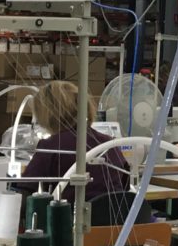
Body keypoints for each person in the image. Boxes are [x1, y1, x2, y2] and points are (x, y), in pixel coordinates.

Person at [13, 81, 133, 226]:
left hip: (73, 231)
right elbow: (124, 191)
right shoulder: (109, 144)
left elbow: (22, 200)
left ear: (46, 115)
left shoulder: (52, 146)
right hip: (116, 231)